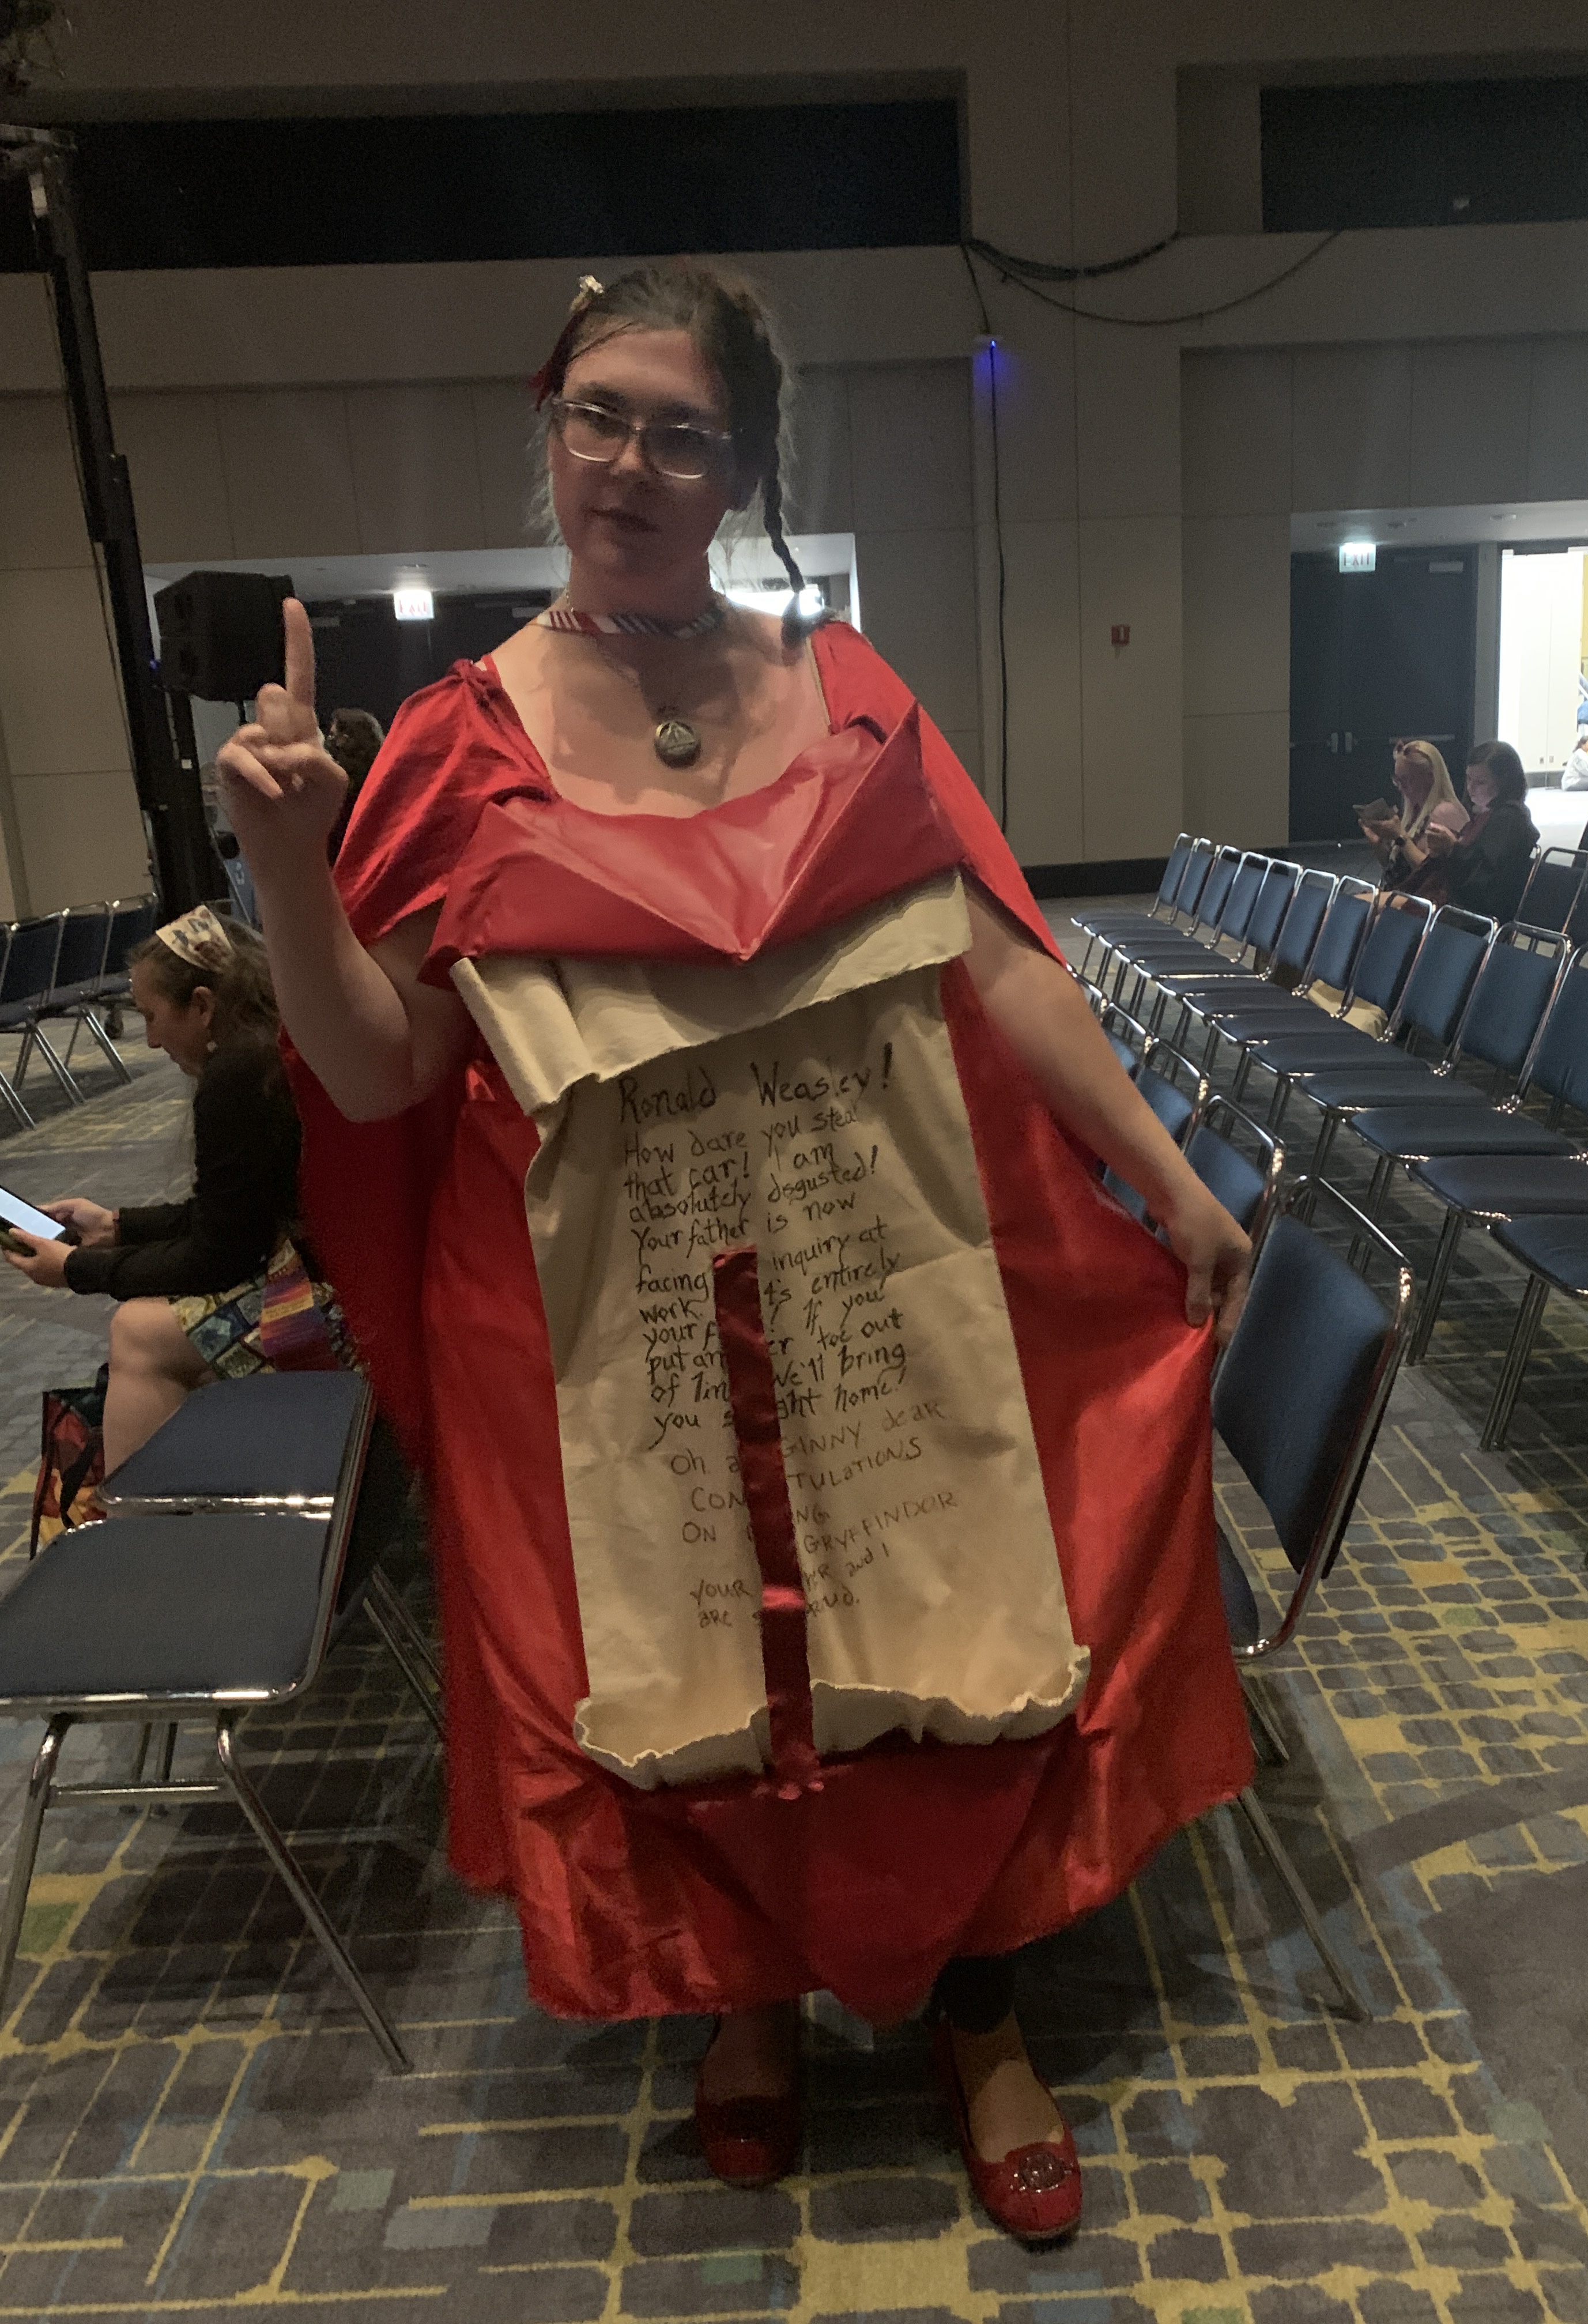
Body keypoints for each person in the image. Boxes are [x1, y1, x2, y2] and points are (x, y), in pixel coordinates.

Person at [216, 259, 1254, 2245]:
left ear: (742, 468)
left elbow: (1005, 963)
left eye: (679, 429)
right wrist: (285, 858)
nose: (628, 459)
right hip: (608, 1320)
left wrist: (1166, 1183)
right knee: (679, 1656)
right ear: (550, 434)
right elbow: (373, 1073)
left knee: (941, 1638)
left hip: (893, 1283)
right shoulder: (456, 743)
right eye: (597, 413)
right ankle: (747, 2004)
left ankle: (976, 2012)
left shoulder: (844, 693)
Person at [1, 906, 348, 1467]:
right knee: (156, 1316)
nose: (151, 1039)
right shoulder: (266, 1045)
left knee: (139, 1330)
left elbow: (219, 1258)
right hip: (350, 1273)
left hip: (348, 1308)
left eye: (152, 1016)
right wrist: (117, 1226)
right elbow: (230, 1215)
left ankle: (137, 1531)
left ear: (204, 1006)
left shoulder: (238, 1076)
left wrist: (72, 1270)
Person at [1417, 741, 1540, 921]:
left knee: (1396, 921)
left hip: (1481, 912)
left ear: (1504, 783)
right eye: (1469, 779)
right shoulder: (1484, 814)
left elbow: (1483, 876)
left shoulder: (1510, 819)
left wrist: (1452, 848)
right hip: (1461, 904)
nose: (1471, 787)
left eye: (1481, 782)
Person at [1357, 740, 1468, 891]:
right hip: (1401, 895)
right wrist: (1378, 844)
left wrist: (1400, 836)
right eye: (1397, 780)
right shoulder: (1415, 812)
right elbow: (1398, 872)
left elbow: (1429, 875)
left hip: (1422, 904)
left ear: (1430, 777)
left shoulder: (1444, 812)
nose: (1401, 787)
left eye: (1406, 780)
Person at [325, 708, 386, 857]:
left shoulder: (337, 779)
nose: (329, 742)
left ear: (346, 739)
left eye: (333, 736)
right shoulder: (383, 775)